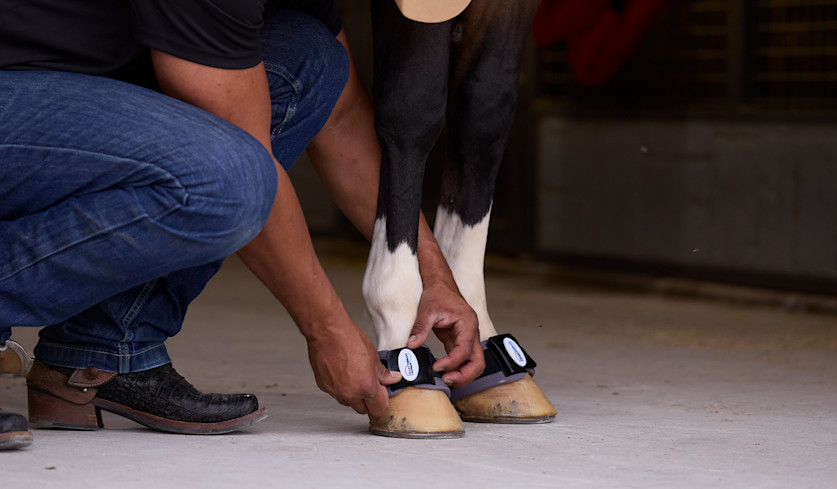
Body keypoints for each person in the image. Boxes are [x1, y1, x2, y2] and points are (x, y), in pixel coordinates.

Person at [0, 0, 483, 450]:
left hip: (79, 99)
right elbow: (243, 153)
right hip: (16, 99)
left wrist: (434, 276)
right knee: (227, 180)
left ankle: (99, 355)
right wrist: (327, 330)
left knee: (311, 56)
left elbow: (344, 119)